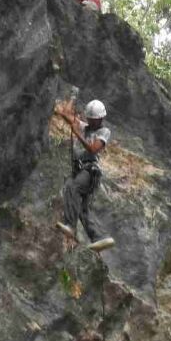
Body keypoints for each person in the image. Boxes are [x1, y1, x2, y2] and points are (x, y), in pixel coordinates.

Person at [55, 99, 114, 251]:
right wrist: (67, 104)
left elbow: (93, 149)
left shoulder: (104, 132)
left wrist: (77, 134)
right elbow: (68, 117)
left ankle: (70, 226)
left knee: (71, 186)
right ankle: (99, 238)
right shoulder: (85, 126)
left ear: (101, 119)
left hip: (90, 171)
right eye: (89, 119)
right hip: (82, 170)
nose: (90, 122)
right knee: (82, 209)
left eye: (93, 120)